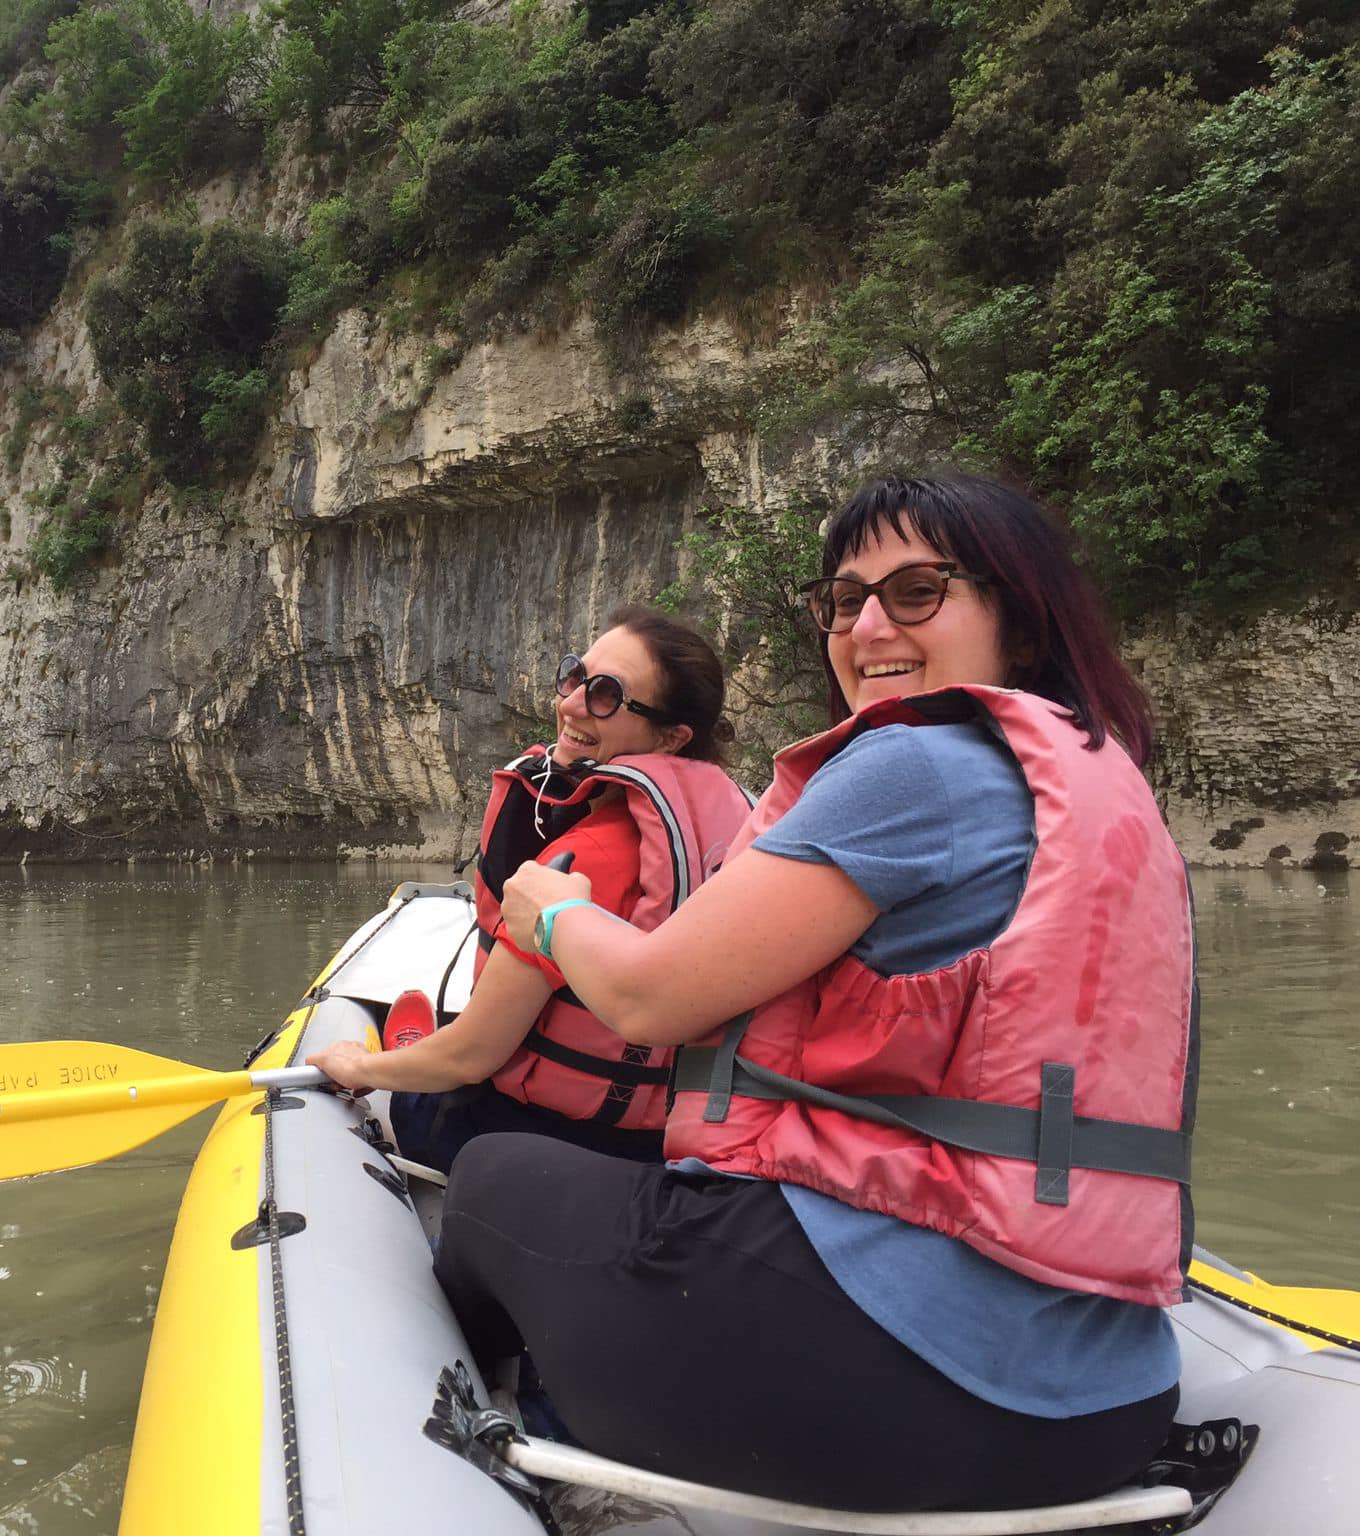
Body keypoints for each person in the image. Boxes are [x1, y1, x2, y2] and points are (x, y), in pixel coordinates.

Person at [436, 474, 1195, 1513]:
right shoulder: (1090, 778)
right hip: (1105, 1408)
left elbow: (651, 1000)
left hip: (895, 1405)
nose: (868, 624)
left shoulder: (912, 768)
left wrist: (549, 913)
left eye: (917, 590)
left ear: (1018, 624)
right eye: (844, 600)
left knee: (484, 1175)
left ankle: (533, 1469)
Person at [308, 606, 753, 1171]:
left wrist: (360, 1068)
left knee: (422, 1098)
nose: (570, 704)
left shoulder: (580, 861)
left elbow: (473, 1057)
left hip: (543, 1138)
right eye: (575, 677)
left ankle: (408, 1060)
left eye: (606, 695)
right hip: (660, 1140)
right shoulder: (740, 834)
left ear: (671, 737)